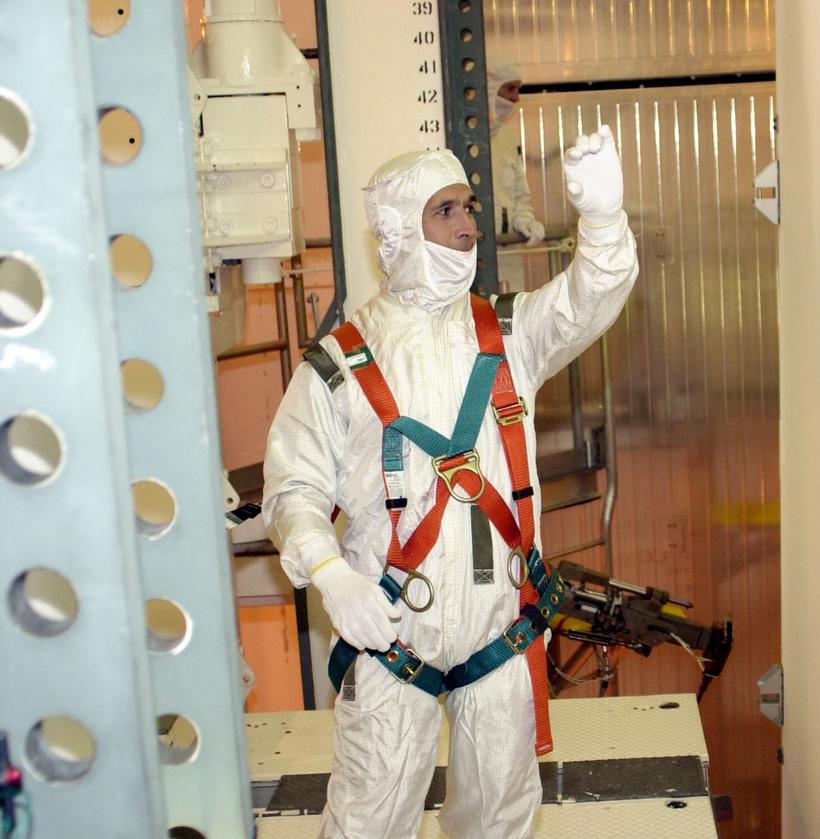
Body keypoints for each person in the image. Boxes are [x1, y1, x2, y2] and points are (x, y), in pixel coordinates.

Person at [262, 126, 636, 839]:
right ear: (399, 230)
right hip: (392, 638)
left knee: (499, 819)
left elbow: (590, 297)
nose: (467, 224)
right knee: (369, 822)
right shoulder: (340, 363)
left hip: (500, 635)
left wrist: (603, 221)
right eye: (446, 210)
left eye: (469, 206)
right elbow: (292, 490)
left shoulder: (509, 334)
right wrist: (329, 573)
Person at [487, 55, 545, 244]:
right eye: (510, 88)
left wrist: (524, 219)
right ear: (489, 89)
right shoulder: (458, 139)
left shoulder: (508, 137)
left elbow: (520, 193)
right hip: (472, 252)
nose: (516, 97)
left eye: (518, 89)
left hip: (509, 245)